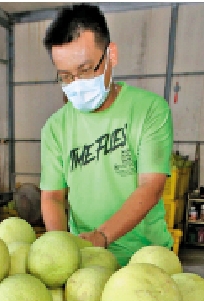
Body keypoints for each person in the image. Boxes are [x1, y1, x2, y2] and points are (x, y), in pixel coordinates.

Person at [39, 3, 174, 266]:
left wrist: (103, 235)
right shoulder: (55, 128)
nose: (76, 83)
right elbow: (52, 197)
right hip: (88, 260)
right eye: (66, 76)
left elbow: (151, 186)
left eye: (86, 70)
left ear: (111, 55)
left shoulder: (150, 110)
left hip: (146, 258)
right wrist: (61, 249)